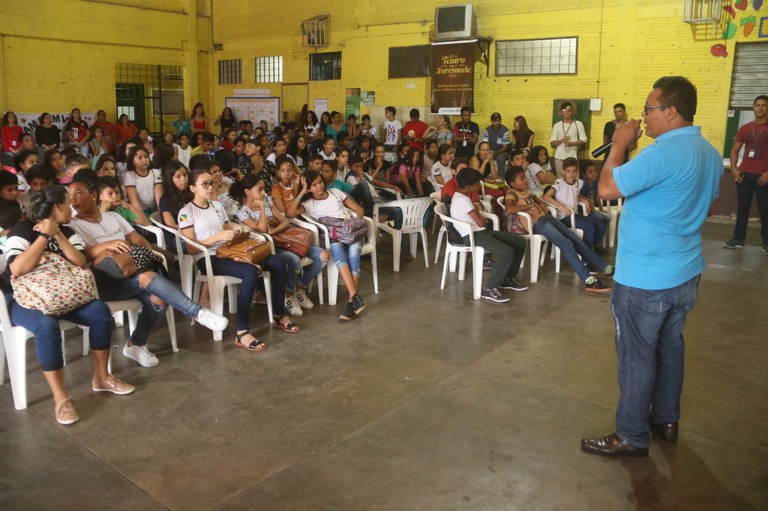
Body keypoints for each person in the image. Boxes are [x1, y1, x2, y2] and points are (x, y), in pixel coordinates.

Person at [581, 76, 722, 458]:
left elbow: (606, 188)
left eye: (648, 108)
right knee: (670, 348)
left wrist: (619, 144)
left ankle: (630, 434)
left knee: (637, 354)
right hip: (685, 271)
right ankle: (666, 420)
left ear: (670, 111)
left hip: (645, 277)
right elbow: (708, 206)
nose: (643, 115)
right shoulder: (709, 153)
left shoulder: (659, 154)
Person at [1, 186, 136, 424]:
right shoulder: (23, 229)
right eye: (67, 203)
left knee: (99, 312)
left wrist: (59, 235)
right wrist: (43, 237)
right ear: (56, 207)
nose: (71, 207)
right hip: (23, 298)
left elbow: (80, 261)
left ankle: (102, 377)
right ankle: (61, 398)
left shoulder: (66, 229)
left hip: (61, 294)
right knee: (46, 325)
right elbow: (17, 269)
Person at [67, 179, 228, 367]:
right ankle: (197, 312)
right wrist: (107, 246)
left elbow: (139, 240)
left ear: (92, 195)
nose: (72, 199)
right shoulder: (72, 225)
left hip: (133, 272)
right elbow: (81, 254)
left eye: (77, 193)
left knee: (158, 298)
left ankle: (135, 344)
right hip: (104, 282)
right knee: (148, 277)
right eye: (69, 195)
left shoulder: (114, 217)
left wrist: (141, 252)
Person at [179, 167, 297, 350]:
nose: (210, 187)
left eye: (211, 183)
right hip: (208, 257)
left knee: (277, 262)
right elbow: (191, 247)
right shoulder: (186, 212)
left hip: (231, 251)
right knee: (250, 271)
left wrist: (236, 228)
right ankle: (242, 331)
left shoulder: (216, 205)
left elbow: (227, 224)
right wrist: (216, 238)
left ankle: (279, 314)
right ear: (193, 188)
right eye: (204, 184)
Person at [230, 173, 328, 317]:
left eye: (264, 189)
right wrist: (263, 208)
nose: (264, 193)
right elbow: (262, 229)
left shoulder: (268, 201)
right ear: (247, 191)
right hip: (271, 247)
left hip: (287, 240)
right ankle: (288, 295)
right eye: (260, 189)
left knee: (323, 255)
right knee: (293, 260)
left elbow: (285, 222)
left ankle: (299, 288)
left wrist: (274, 230)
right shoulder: (243, 213)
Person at [503, 166, 612, 293]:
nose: (526, 181)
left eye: (525, 178)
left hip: (547, 219)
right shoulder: (511, 193)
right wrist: (528, 207)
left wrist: (541, 204)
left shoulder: (526, 191)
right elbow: (509, 209)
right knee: (567, 244)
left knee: (575, 239)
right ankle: (588, 280)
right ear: (512, 183)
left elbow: (539, 200)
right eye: (521, 179)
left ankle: (606, 268)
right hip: (537, 225)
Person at [287, 170, 368, 320]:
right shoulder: (309, 204)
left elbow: (358, 209)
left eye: (320, 182)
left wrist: (354, 223)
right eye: (314, 185)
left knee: (354, 253)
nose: (319, 186)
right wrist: (302, 191)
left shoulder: (335, 192)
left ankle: (352, 302)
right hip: (335, 237)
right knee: (336, 249)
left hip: (352, 233)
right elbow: (290, 213)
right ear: (309, 188)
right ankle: (354, 298)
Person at [448, 168, 528, 303]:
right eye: (477, 184)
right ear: (468, 187)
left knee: (519, 241)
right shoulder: (463, 200)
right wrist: (482, 219)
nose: (479, 186)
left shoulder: (462, 197)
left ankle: (507, 279)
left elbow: (479, 221)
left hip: (480, 232)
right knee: (506, 251)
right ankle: (489, 288)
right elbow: (480, 222)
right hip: (473, 236)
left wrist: (480, 218)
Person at [724, 94, 768, 252]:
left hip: (764, 176)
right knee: (743, 208)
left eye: (764, 105)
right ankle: (738, 239)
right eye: (757, 105)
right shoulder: (745, 128)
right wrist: (735, 169)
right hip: (745, 175)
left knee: (765, 209)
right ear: (753, 108)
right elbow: (735, 150)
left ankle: (767, 243)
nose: (760, 108)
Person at [542, 157, 609, 251]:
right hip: (563, 216)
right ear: (563, 171)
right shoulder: (559, 183)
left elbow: (574, 194)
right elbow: (546, 196)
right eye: (568, 171)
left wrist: (585, 200)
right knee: (589, 227)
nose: (571, 174)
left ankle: (596, 248)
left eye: (574, 171)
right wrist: (563, 207)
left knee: (601, 224)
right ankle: (586, 254)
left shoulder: (579, 182)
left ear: (577, 171)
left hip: (575, 214)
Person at [549, 101, 587, 177]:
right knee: (560, 180)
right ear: (561, 112)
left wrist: (571, 143)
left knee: (574, 179)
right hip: (559, 157)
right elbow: (552, 143)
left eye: (569, 110)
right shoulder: (557, 125)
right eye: (564, 110)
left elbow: (584, 140)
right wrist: (561, 140)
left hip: (572, 157)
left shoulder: (578, 124)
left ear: (572, 112)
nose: (566, 112)